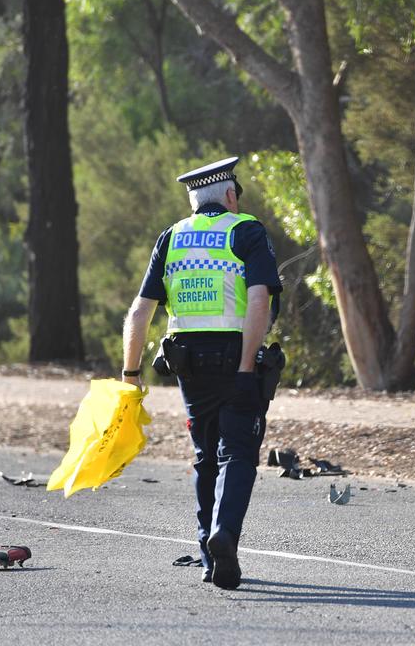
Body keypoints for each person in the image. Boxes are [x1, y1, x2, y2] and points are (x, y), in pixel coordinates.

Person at [121, 156, 283, 589]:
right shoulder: (246, 229)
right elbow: (259, 301)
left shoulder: (171, 237)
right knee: (239, 452)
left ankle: (209, 558)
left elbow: (139, 313)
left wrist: (131, 374)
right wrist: (248, 365)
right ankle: (224, 534)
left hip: (188, 367)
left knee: (204, 457)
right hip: (234, 358)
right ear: (231, 195)